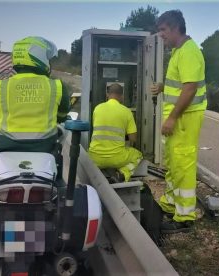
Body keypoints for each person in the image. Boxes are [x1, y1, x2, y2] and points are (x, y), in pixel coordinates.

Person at [0, 36, 70, 186]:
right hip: (44, 149)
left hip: (6, 147)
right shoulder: (57, 86)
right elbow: (63, 114)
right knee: (58, 183)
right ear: (38, 57)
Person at [150, 10, 207, 233]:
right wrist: (164, 88)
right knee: (174, 163)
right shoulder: (178, 51)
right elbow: (183, 84)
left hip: (184, 118)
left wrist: (172, 118)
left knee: (183, 164)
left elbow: (190, 88)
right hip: (180, 117)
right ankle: (171, 203)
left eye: (163, 30)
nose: (160, 34)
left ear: (175, 28)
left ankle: (184, 218)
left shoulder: (189, 51)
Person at [88, 83, 143, 183]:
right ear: (122, 96)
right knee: (138, 155)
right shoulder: (126, 111)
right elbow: (133, 139)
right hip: (117, 158)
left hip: (95, 157)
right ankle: (122, 174)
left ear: (107, 94)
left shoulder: (97, 108)